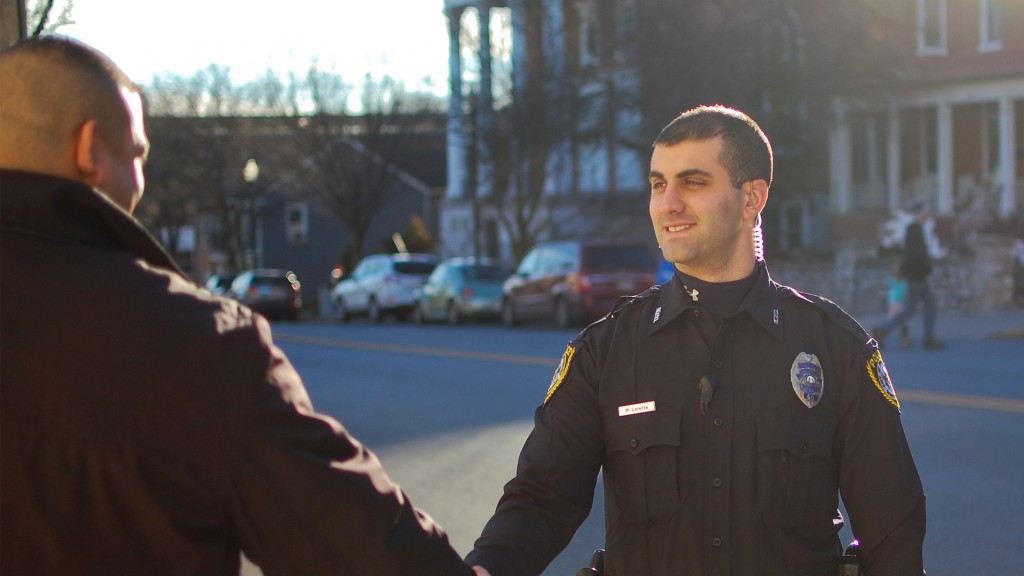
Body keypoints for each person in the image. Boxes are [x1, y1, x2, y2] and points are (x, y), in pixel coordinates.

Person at [0, 36, 482, 576]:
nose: (139, 181)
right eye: (136, 155)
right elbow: (349, 541)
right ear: (89, 149)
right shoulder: (196, 346)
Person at [465, 105, 926, 575]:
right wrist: (486, 568)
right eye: (658, 184)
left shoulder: (837, 349)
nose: (669, 203)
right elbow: (542, 498)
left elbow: (893, 532)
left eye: (693, 182)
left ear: (753, 199)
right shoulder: (608, 351)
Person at [873, 200, 945, 350]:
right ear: (921, 213)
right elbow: (916, 254)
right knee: (910, 309)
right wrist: (925, 268)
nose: (928, 215)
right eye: (926, 212)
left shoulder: (917, 228)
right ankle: (881, 330)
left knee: (929, 304)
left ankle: (929, 337)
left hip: (918, 275)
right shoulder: (915, 228)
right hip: (916, 275)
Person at [885, 259, 912, 348]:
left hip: (896, 303)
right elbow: (905, 291)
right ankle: (904, 340)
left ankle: (904, 340)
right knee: (901, 323)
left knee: (894, 322)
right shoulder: (901, 281)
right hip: (898, 303)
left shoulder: (895, 280)